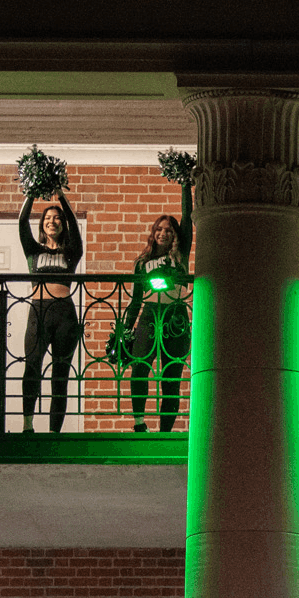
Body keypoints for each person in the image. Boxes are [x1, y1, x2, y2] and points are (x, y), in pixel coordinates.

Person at [121, 185, 193, 433]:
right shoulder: (143, 262)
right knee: (140, 366)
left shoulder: (181, 254)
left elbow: (187, 218)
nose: (163, 233)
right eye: (158, 229)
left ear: (175, 235)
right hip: (149, 315)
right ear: (153, 234)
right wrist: (126, 330)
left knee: (171, 374)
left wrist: (185, 182)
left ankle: (165, 432)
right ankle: (140, 423)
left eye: (168, 230)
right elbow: (136, 299)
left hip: (176, 316)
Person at [18, 191, 84, 432]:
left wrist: (60, 194)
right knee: (32, 367)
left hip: (65, 314)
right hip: (38, 314)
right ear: (42, 224)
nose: (52, 221)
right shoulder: (34, 252)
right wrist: (32, 192)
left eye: (56, 218)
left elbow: (75, 225)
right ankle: (27, 425)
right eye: (47, 218)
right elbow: (21, 222)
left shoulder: (71, 252)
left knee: (60, 375)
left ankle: (55, 432)